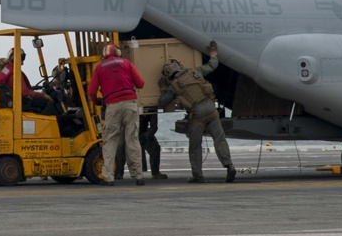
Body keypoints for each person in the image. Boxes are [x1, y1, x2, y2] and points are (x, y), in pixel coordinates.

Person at [158, 41, 236, 183]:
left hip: (197, 115)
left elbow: (162, 102)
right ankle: (229, 165)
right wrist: (213, 52)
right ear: (180, 66)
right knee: (219, 139)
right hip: (212, 110)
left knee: (195, 146)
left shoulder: (174, 86)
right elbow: (213, 65)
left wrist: (163, 87)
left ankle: (198, 175)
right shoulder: (195, 72)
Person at [87, 43, 146, 186]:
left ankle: (108, 177)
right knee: (132, 139)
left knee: (110, 140)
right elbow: (140, 83)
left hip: (112, 106)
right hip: (130, 104)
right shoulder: (126, 63)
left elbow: (91, 92)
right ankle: (138, 176)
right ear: (117, 52)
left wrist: (97, 102)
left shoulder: (99, 67)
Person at [0, 48, 60, 115]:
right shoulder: (15, 74)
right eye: (22, 59)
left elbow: (19, 88)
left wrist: (36, 88)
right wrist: (43, 95)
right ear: (15, 58)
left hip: (12, 102)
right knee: (49, 103)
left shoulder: (5, 72)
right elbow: (25, 92)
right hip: (21, 103)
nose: (23, 63)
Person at [115, 112, 168, 180]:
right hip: (127, 131)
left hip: (142, 132)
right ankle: (118, 173)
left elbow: (154, 126)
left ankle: (155, 172)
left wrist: (147, 136)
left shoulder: (150, 108)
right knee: (120, 148)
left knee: (155, 148)